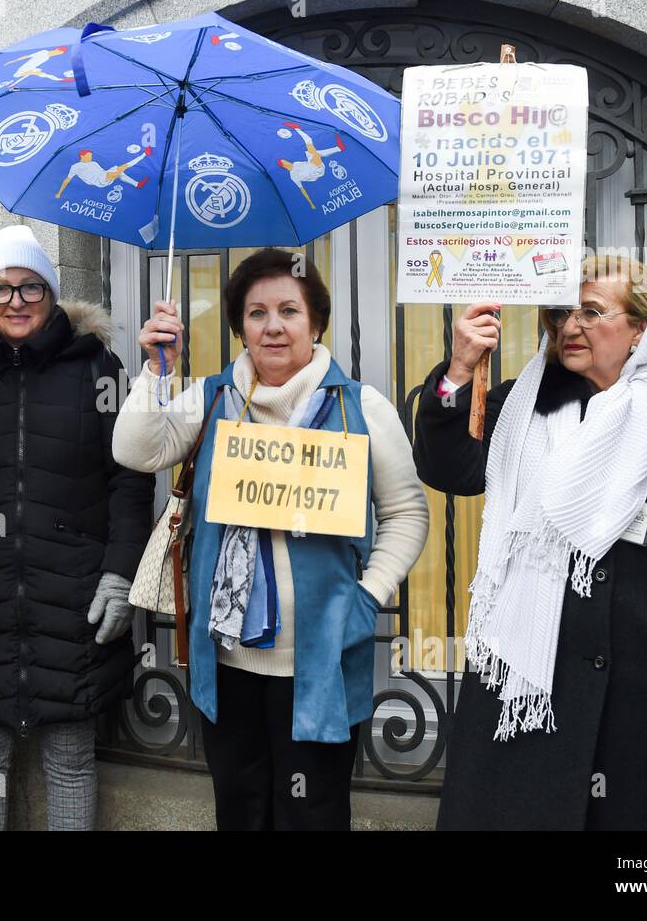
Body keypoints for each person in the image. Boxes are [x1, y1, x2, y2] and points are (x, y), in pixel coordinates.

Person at [411, 254, 647, 830]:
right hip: (519, 687)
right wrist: (458, 370)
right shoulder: (523, 405)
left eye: (593, 312)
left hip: (637, 696)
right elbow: (449, 468)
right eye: (561, 312)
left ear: (640, 331)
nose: (571, 326)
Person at [112, 247, 430, 830]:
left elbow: (408, 513)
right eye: (257, 313)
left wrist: (368, 596)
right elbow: (135, 451)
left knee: (311, 815)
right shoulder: (209, 400)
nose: (274, 326)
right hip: (229, 661)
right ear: (239, 327)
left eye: (290, 310)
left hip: (320, 664)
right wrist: (157, 372)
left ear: (315, 322)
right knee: (240, 811)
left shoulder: (360, 407)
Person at [0, 224, 154, 830]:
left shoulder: (99, 368)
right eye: (0, 290)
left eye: (30, 288)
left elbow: (129, 478)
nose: (15, 302)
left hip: (74, 595)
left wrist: (121, 575)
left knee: (69, 756)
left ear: (51, 293)